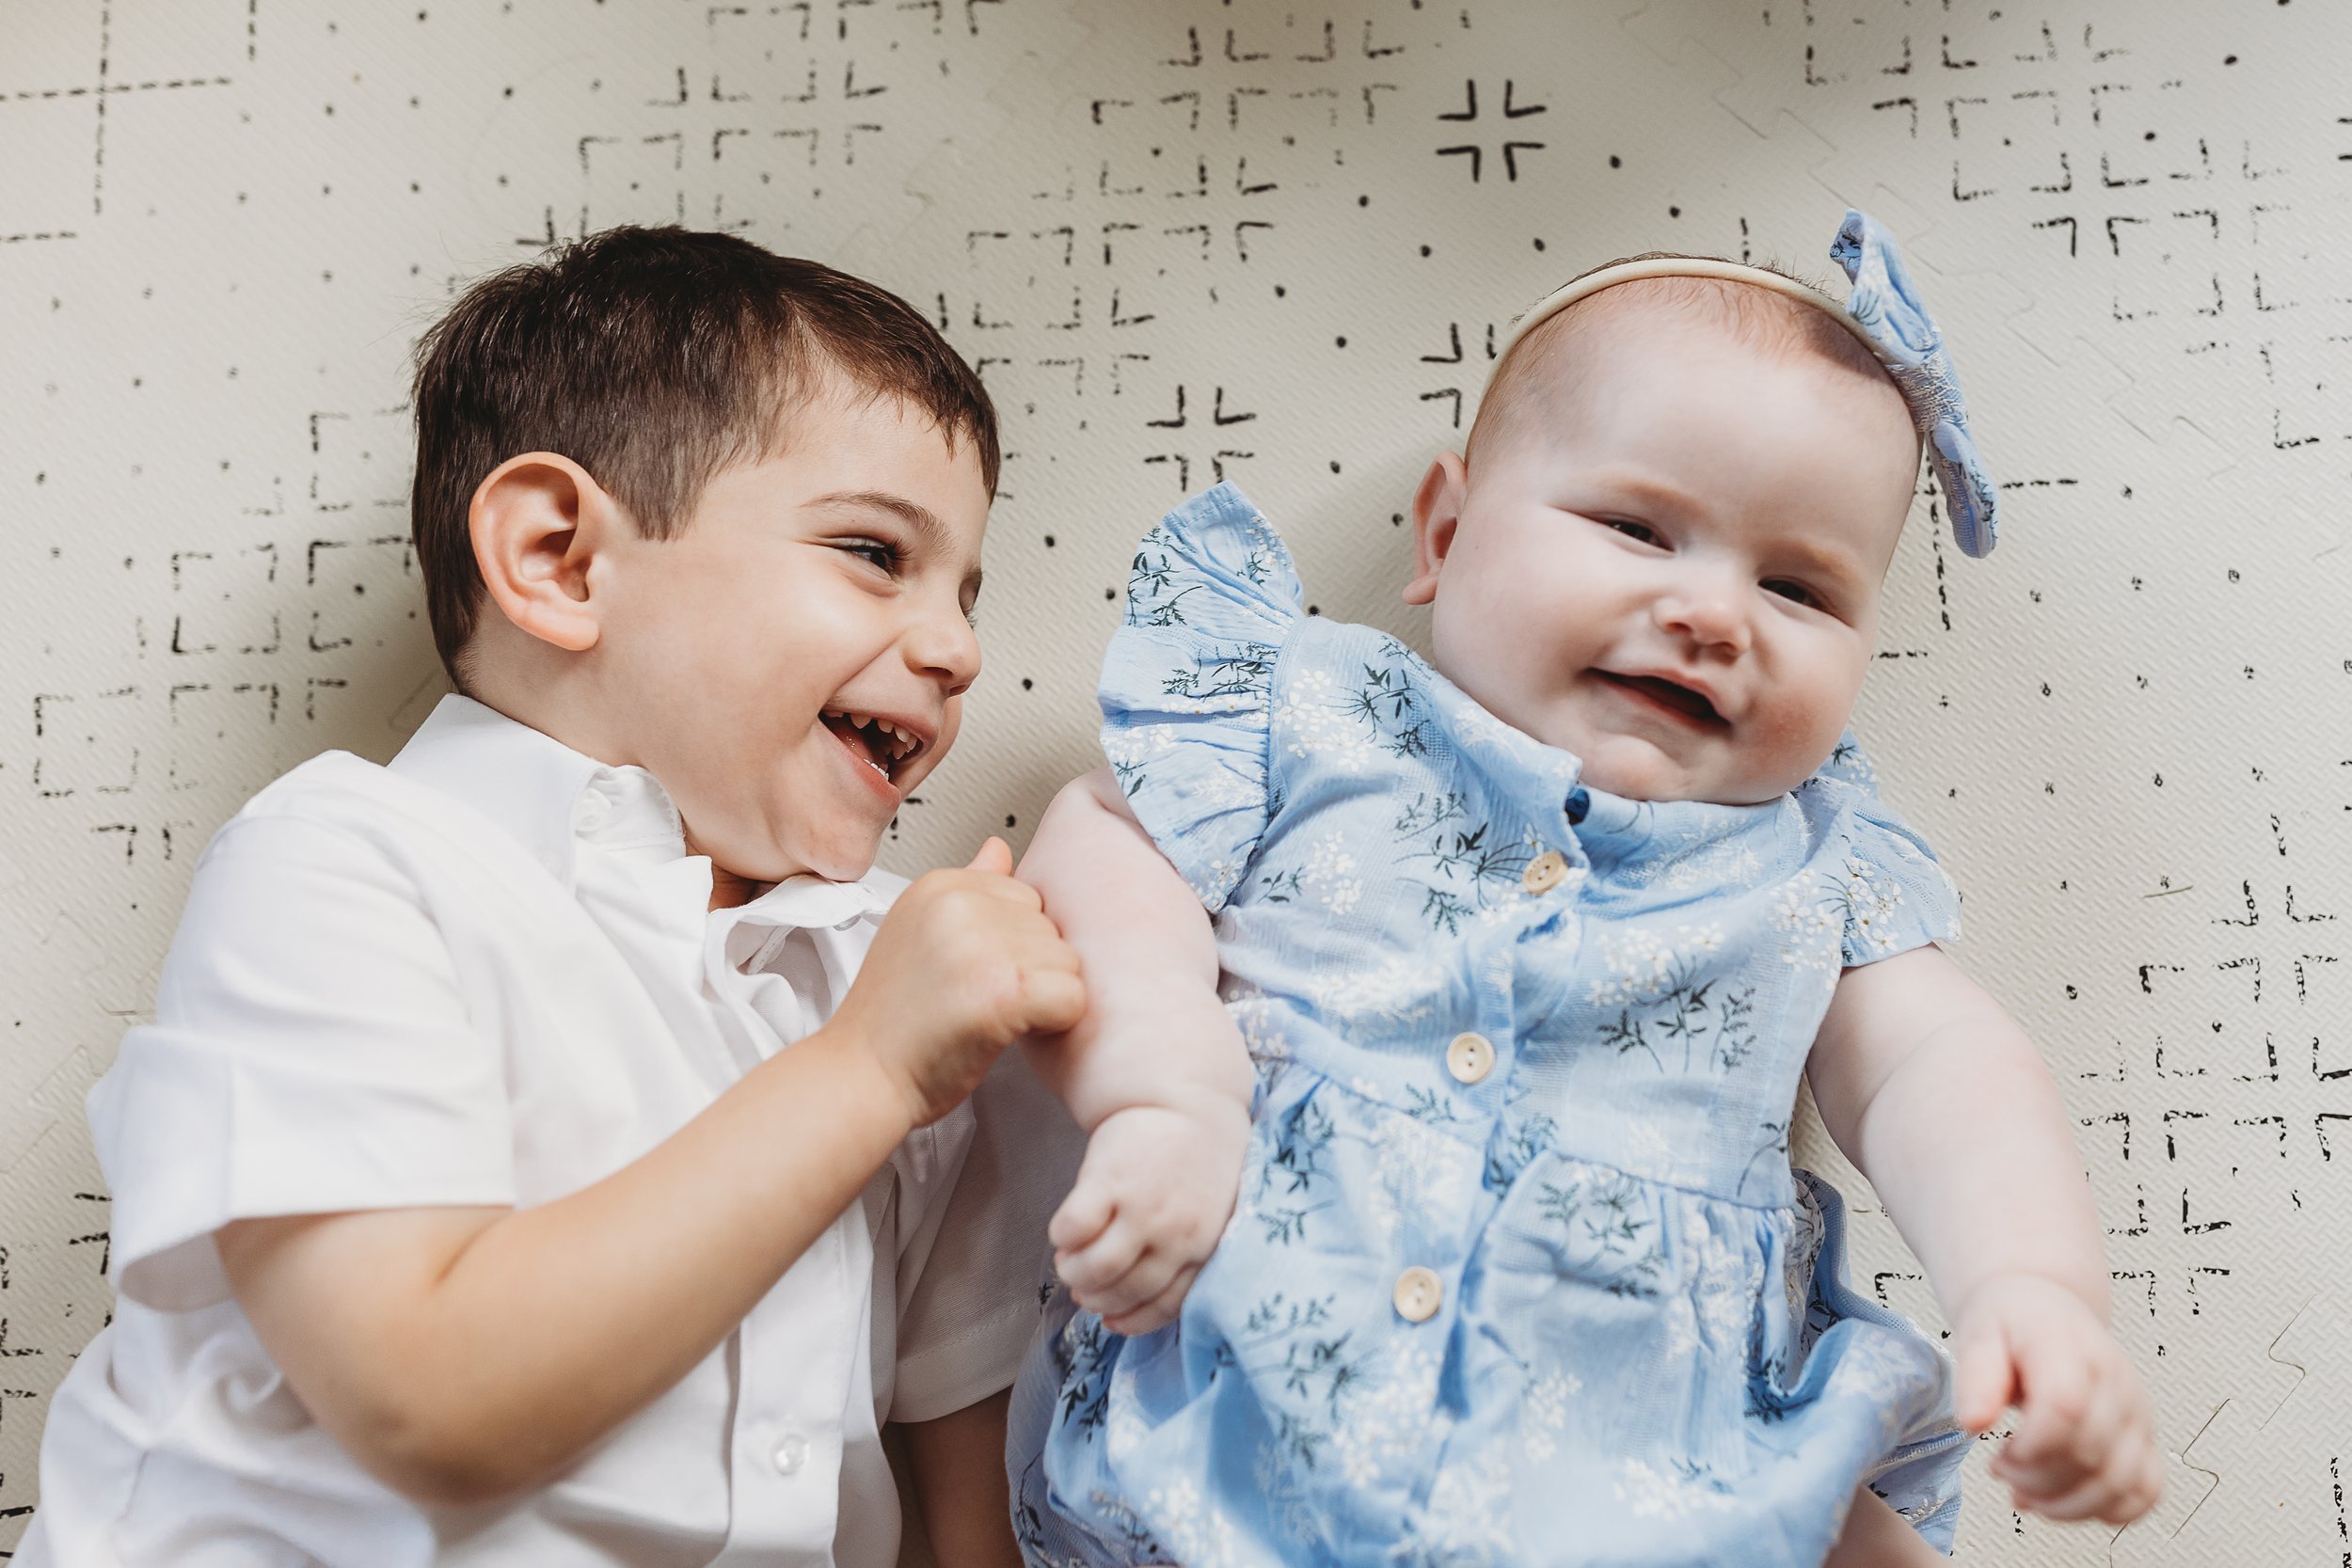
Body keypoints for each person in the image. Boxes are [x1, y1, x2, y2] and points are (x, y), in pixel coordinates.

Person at [1005, 213, 2162, 1566]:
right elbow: (1106, 843)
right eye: (1636, 528)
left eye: (1800, 588)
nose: (1714, 614)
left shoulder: (1812, 862)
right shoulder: (1311, 717)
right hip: (1236, 1421)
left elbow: (1939, 1068)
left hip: (1647, 1469)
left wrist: (2032, 1283)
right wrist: (1167, 1088)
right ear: (1446, 532)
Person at [20, 226, 1079, 1567]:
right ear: (561, 560)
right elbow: (425, 1397)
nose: (960, 649)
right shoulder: (349, 863)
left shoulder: (895, 966)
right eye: (875, 552)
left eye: (967, 592)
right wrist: (868, 1069)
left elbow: (965, 1512)